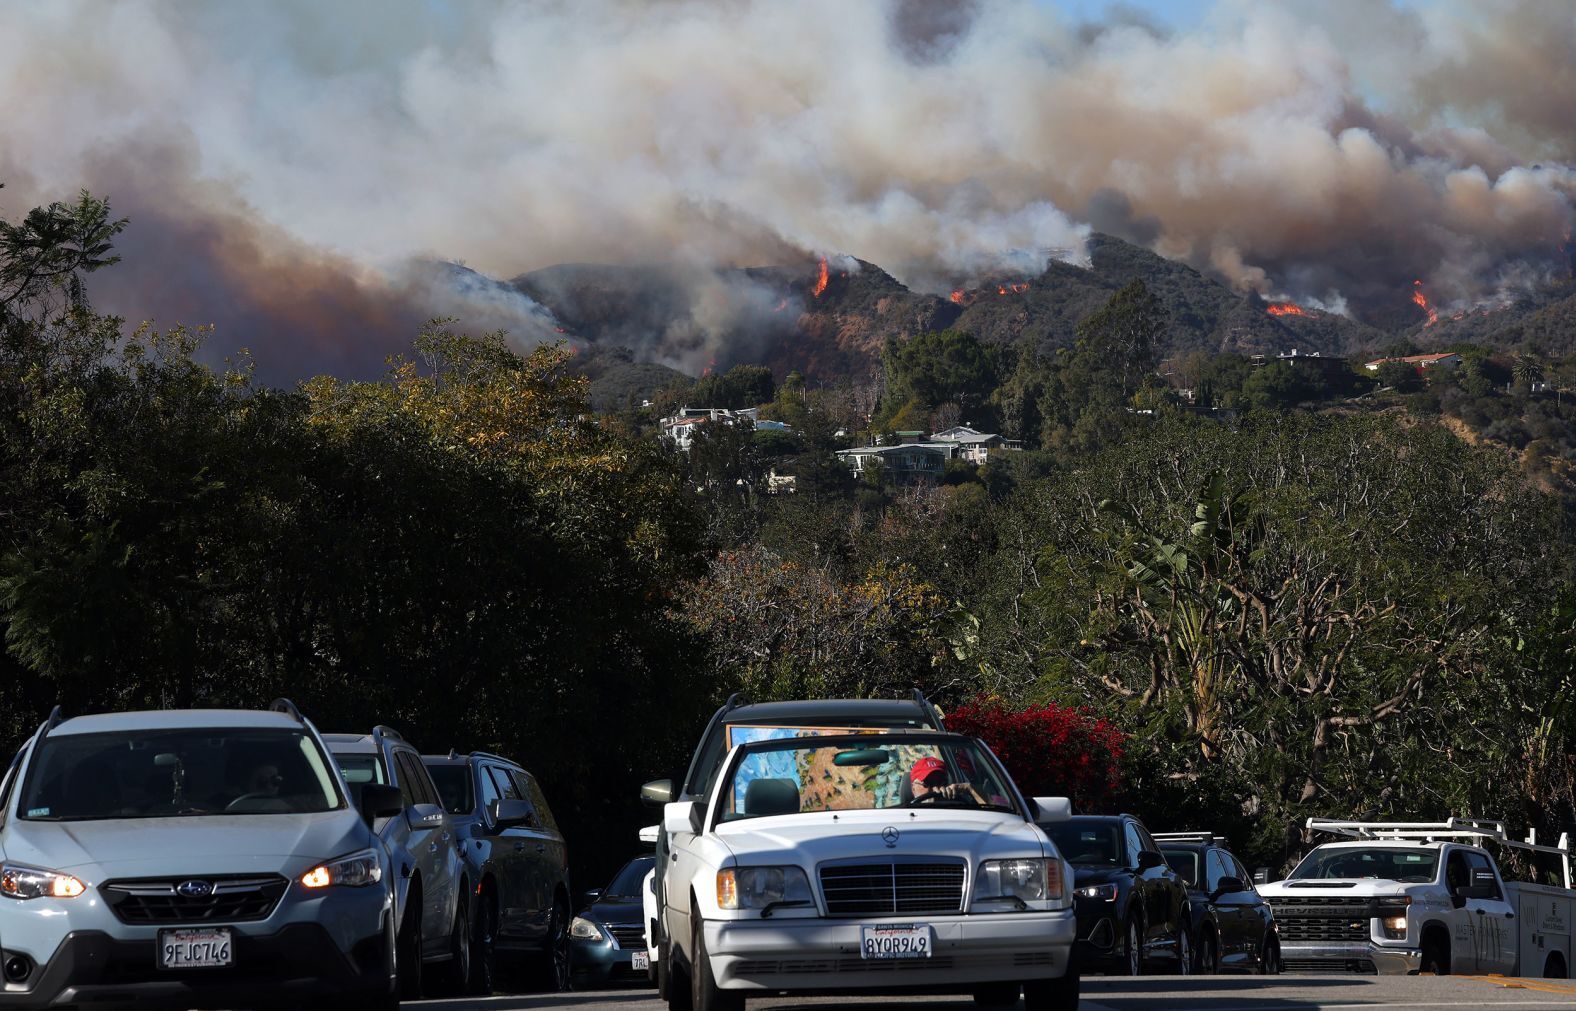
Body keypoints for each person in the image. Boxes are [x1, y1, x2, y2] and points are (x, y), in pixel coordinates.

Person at [909, 756, 983, 804]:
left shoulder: (959, 810)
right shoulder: (903, 815)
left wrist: (969, 788)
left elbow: (991, 815)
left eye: (941, 783)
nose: (936, 789)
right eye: (927, 783)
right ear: (913, 789)